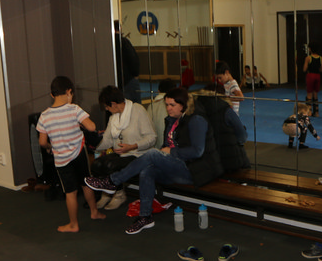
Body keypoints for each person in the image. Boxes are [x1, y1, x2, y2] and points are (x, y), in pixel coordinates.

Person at [85, 87, 222, 235]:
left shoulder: (196, 120)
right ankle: (145, 217)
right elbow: (166, 145)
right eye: (167, 105)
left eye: (172, 105)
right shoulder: (172, 120)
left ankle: (112, 181)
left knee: (152, 154)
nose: (168, 108)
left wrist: (170, 152)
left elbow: (197, 151)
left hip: (194, 170)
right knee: (147, 170)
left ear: (183, 105)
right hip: (176, 166)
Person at [36, 76, 105, 232]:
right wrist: (81, 123)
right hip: (79, 153)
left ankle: (73, 224)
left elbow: (42, 142)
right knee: (86, 183)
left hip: (61, 159)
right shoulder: (74, 109)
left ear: (52, 94)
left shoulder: (44, 116)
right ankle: (94, 212)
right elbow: (92, 127)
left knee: (70, 192)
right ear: (69, 92)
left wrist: (49, 147)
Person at [91, 85, 158, 211]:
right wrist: (95, 144)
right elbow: (107, 140)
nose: (106, 109)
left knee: (111, 165)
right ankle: (107, 193)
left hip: (138, 154)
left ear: (113, 104)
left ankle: (119, 195)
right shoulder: (114, 117)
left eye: (106, 106)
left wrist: (132, 146)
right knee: (97, 164)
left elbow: (152, 138)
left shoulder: (137, 110)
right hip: (122, 153)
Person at [114, 21, 142, 102]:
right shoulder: (123, 42)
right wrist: (135, 74)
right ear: (120, 28)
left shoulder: (106, 43)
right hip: (127, 80)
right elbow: (133, 59)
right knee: (134, 106)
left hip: (115, 81)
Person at [303, 43, 322, 115]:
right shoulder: (320, 58)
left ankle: (309, 111)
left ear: (310, 49)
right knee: (315, 94)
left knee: (309, 93)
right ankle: (316, 112)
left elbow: (304, 69)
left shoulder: (308, 58)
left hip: (310, 75)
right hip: (317, 75)